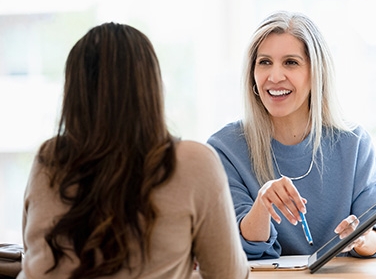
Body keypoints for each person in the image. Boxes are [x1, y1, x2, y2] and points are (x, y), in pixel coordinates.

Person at [18, 22, 249, 279]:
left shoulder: (49, 158)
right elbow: (228, 275)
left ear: (74, 93)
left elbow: (33, 254)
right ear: (151, 88)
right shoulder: (193, 161)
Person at [207, 11, 376, 260]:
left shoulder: (354, 144)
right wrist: (263, 204)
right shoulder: (224, 149)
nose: (274, 77)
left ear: (315, 73)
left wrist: (361, 236)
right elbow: (238, 247)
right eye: (264, 62)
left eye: (291, 62)